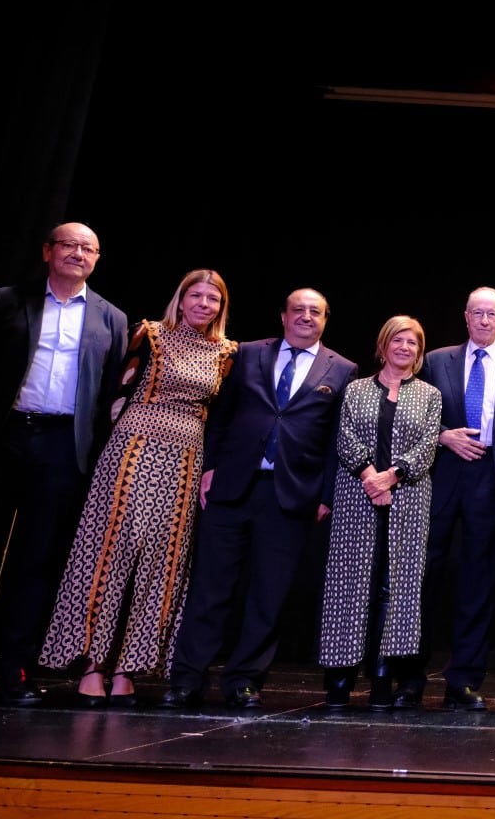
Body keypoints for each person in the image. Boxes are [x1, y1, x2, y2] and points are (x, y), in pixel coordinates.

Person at [0, 223, 129, 706]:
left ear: (97, 258)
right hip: (4, 438)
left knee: (38, 562)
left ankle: (15, 670)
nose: (78, 253)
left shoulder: (111, 318)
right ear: (48, 251)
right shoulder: (6, 300)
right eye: (68, 245)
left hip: (61, 447)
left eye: (88, 248)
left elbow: (109, 390)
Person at [39, 268, 237, 706]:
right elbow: (112, 390)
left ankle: (130, 664)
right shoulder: (148, 335)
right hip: (134, 447)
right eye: (197, 296)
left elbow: (222, 416)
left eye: (214, 300)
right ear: (181, 298)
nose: (204, 305)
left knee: (163, 561)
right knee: (113, 551)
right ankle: (93, 663)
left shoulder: (225, 352)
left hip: (186, 456)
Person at [162, 288, 356, 709]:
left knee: (269, 594)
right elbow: (220, 416)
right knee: (210, 587)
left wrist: (325, 495)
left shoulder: (342, 369)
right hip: (232, 486)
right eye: (298, 310)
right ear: (283, 316)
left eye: (315, 312)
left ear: (326, 319)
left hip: (291, 496)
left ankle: (245, 679)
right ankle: (187, 678)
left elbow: (335, 442)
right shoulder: (248, 353)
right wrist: (210, 467)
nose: (306, 316)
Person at [403, 287, 495, 710]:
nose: (483, 320)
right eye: (476, 313)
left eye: (491, 314)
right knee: (422, 581)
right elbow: (411, 416)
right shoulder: (437, 360)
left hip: (490, 484)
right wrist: (442, 437)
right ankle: (410, 678)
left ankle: (464, 680)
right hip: (437, 476)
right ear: (465, 316)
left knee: (479, 584)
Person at [317, 315, 442, 710]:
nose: (405, 348)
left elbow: (426, 447)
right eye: (398, 341)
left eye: (413, 344)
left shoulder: (429, 395)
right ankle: (340, 676)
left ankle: (384, 675)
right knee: (350, 584)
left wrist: (391, 477)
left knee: (396, 588)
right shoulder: (355, 390)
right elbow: (345, 437)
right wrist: (371, 477)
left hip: (408, 499)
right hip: (357, 495)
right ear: (384, 344)